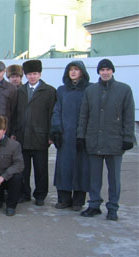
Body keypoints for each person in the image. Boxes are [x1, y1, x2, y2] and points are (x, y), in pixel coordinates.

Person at [77, 59, 135, 221]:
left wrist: (128, 137)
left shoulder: (124, 90)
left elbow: (129, 116)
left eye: (108, 69)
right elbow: (84, 115)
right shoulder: (91, 90)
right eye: (102, 70)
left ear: (112, 71)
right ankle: (94, 204)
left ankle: (113, 207)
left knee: (114, 177)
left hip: (115, 140)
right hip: (94, 140)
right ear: (98, 72)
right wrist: (81, 135)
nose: (105, 72)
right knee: (94, 176)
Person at [11, 60, 56, 206]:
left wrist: (51, 135)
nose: (32, 76)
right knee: (23, 168)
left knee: (41, 168)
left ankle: (40, 194)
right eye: (29, 74)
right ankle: (24, 193)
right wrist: (13, 132)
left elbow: (52, 114)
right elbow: (15, 114)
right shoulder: (20, 91)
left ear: (40, 74)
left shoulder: (49, 91)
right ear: (25, 75)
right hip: (22, 135)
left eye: (35, 74)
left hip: (40, 136)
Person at [51, 61, 91, 211]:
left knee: (82, 168)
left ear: (82, 72)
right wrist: (56, 131)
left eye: (76, 69)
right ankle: (63, 199)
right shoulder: (62, 90)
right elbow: (57, 111)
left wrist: (86, 134)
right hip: (65, 136)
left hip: (82, 136)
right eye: (70, 70)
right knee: (64, 167)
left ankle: (78, 200)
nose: (73, 72)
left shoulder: (89, 89)